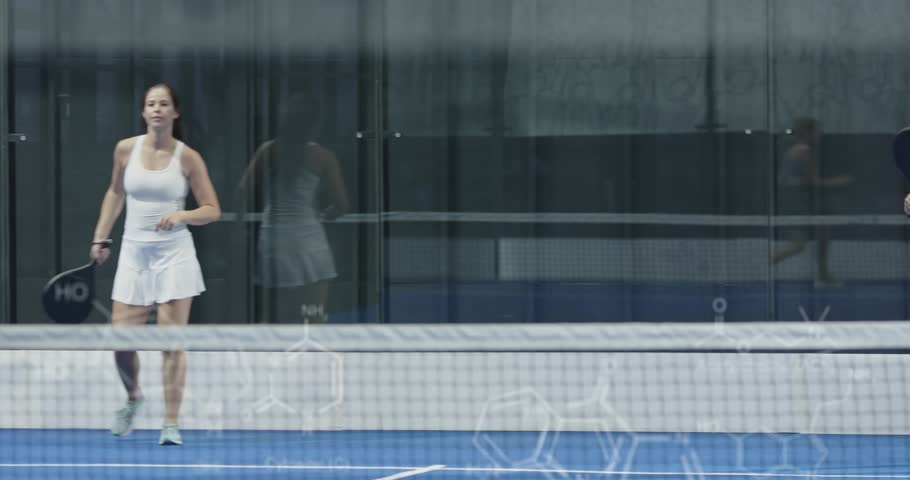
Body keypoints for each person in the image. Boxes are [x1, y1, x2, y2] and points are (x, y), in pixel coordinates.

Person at [90, 83, 221, 445]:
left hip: (174, 255)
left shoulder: (188, 157)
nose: (157, 109)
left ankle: (171, 422)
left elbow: (212, 210)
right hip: (134, 254)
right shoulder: (125, 150)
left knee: (171, 343)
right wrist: (101, 236)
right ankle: (133, 397)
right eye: (151, 104)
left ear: (175, 112)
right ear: (144, 112)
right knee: (120, 340)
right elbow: (115, 192)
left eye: (164, 104)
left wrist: (181, 215)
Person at [239, 92, 349, 323]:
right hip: (308, 236)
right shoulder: (323, 157)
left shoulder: (267, 151)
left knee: (279, 314)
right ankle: (309, 354)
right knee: (313, 313)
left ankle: (279, 356)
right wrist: (328, 214)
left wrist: (237, 229)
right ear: (316, 123)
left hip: (273, 236)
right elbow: (342, 204)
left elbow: (242, 191)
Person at [771, 116, 852, 287]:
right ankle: (768, 263)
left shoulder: (792, 151)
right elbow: (814, 181)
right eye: (815, 130)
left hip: (797, 204)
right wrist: (839, 181)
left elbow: (782, 180)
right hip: (799, 205)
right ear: (807, 132)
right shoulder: (804, 151)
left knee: (823, 232)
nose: (819, 134)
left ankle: (823, 276)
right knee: (799, 245)